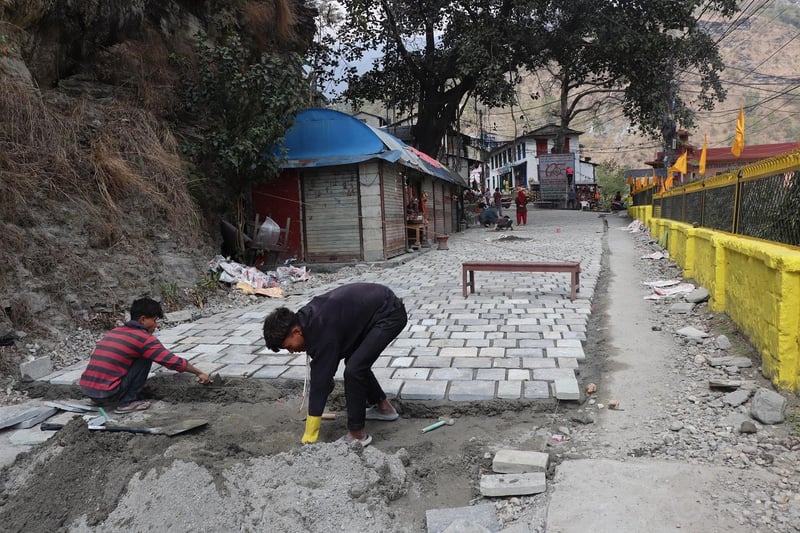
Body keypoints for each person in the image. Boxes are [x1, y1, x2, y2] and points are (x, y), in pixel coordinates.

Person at [263, 283, 407, 446]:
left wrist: (310, 434)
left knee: (354, 369)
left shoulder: (321, 326)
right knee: (355, 361)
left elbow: (320, 382)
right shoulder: (307, 322)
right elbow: (322, 372)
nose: (291, 351)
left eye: (289, 346)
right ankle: (384, 408)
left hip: (389, 313)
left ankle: (357, 434)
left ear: (296, 331)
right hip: (370, 313)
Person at [79, 298, 211, 414]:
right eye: (154, 320)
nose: (156, 325)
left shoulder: (115, 331)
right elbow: (171, 362)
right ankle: (127, 403)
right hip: (107, 393)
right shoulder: (143, 339)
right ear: (143, 319)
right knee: (146, 357)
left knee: (135, 356)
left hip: (89, 391)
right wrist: (199, 373)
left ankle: (115, 394)